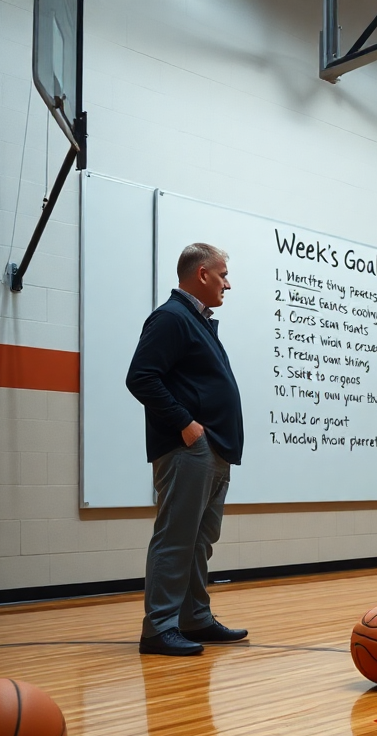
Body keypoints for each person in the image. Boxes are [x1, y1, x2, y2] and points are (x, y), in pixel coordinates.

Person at [127, 243, 249, 656]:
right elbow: (141, 377)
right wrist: (187, 426)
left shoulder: (198, 322)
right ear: (201, 274)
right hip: (190, 448)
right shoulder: (172, 317)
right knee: (176, 538)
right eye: (222, 275)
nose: (227, 284)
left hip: (212, 449)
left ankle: (193, 618)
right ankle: (159, 628)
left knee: (199, 540)